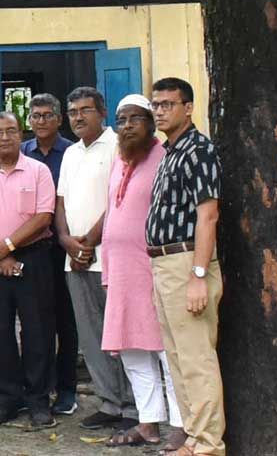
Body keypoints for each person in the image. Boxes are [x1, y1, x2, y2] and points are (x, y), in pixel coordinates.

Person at [0, 112, 58, 429]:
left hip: (34, 258)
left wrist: (7, 246)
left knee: (37, 331)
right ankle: (7, 398)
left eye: (11, 131)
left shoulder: (38, 171)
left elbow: (43, 217)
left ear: (21, 134)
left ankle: (38, 400)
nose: (4, 137)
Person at [100, 95, 184, 450]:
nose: (128, 125)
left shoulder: (165, 159)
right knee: (133, 350)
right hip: (120, 272)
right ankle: (148, 423)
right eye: (122, 120)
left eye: (136, 118)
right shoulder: (119, 160)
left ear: (151, 123)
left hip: (153, 269)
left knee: (167, 350)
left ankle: (182, 424)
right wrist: (106, 270)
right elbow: (111, 212)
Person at [146, 78, 224, 456]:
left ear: (188, 107)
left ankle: (209, 444)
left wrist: (198, 275)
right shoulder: (169, 151)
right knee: (177, 358)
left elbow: (207, 215)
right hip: (163, 263)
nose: (160, 110)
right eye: (156, 104)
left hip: (187, 261)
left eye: (168, 104)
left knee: (196, 358)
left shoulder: (199, 150)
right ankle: (194, 438)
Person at [53, 88, 137, 427]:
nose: (77, 117)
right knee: (91, 336)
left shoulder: (120, 146)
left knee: (122, 334)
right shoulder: (71, 153)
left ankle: (134, 406)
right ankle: (109, 403)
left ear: (102, 112)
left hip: (110, 257)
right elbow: (60, 202)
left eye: (85, 110)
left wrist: (87, 243)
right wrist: (65, 241)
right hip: (74, 259)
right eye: (72, 111)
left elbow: (120, 199)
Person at [22, 93, 80, 416]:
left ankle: (68, 389)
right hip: (33, 250)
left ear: (59, 120)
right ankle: (39, 387)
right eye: (36, 116)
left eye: (47, 115)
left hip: (66, 248)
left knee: (66, 320)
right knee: (37, 322)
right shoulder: (22, 153)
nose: (41, 121)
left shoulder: (71, 153)